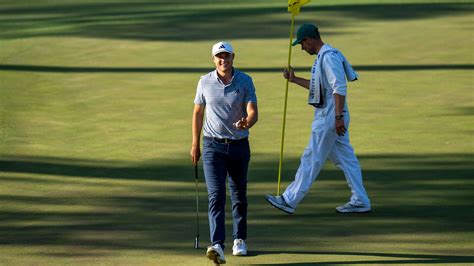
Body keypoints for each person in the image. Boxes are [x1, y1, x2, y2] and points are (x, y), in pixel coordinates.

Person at [265, 23, 371, 214]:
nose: (302, 49)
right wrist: (294, 79)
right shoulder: (324, 56)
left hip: (329, 118)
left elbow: (339, 87)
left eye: (302, 44)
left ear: (309, 40)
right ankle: (360, 199)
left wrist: (338, 117)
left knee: (311, 158)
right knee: (347, 160)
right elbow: (320, 88)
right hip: (332, 116)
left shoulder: (328, 57)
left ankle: (289, 200)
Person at [190, 41, 258, 264]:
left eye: (226, 56)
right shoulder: (204, 81)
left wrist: (246, 122)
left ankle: (239, 239)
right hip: (212, 146)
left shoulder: (245, 80)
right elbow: (198, 112)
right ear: (213, 59)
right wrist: (194, 143)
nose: (223, 60)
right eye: (219, 56)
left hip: (239, 145)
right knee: (216, 195)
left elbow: (253, 111)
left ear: (233, 57)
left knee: (239, 194)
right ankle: (217, 244)